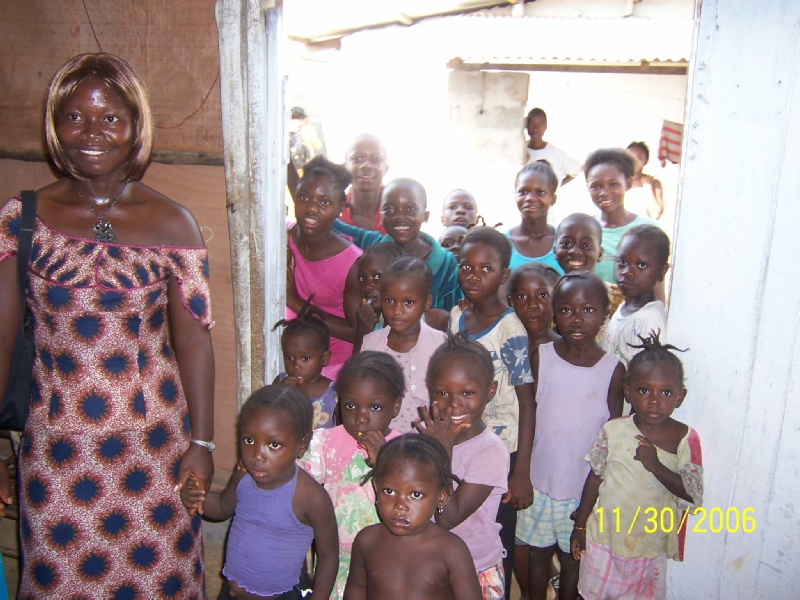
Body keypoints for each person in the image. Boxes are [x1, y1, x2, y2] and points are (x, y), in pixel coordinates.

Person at [0, 53, 215, 596]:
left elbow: (194, 341)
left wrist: (203, 443)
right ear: (55, 126)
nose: (91, 132)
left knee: (160, 580)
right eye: (74, 117)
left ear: (135, 126)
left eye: (110, 118)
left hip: (157, 449)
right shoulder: (20, 221)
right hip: (57, 453)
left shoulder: (174, 223)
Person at [515, 272, 624, 600]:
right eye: (566, 310)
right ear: (554, 313)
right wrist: (522, 472)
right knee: (537, 554)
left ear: (605, 314)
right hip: (540, 483)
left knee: (572, 559)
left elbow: (612, 437)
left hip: (581, 492)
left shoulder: (612, 370)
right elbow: (530, 416)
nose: (576, 319)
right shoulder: (543, 357)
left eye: (588, 310)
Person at [571, 333, 703, 600]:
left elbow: (693, 495)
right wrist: (580, 526)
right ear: (628, 392)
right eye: (644, 391)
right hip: (603, 542)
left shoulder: (684, 439)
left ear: (680, 397)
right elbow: (595, 479)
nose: (654, 400)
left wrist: (656, 465)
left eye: (666, 392)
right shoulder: (613, 430)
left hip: (648, 550)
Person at [180, 385, 338, 599]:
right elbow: (222, 508)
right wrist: (197, 497)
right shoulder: (243, 476)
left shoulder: (310, 497)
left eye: (274, 445)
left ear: (302, 445)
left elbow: (328, 557)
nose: (257, 456)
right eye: (249, 440)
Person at [449, 226, 536, 597]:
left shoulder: (510, 329)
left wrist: (522, 471)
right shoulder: (457, 318)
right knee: (462, 529)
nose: (474, 276)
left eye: (486, 269)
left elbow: (527, 400)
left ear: (503, 276)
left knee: (496, 536)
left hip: (502, 451)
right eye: (466, 267)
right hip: (462, 443)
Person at [299, 351, 404, 599]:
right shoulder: (327, 443)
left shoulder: (402, 451)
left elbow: (405, 500)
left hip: (385, 561)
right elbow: (295, 477)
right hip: (335, 560)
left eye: (374, 407)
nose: (360, 417)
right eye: (350, 405)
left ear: (395, 406)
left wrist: (382, 463)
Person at [418, 334, 511, 599]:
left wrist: (442, 451)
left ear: (490, 391)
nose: (454, 403)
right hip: (429, 565)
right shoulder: (423, 438)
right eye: (442, 393)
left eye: (467, 393)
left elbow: (448, 517)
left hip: (475, 569)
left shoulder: (491, 451)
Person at [344, 435, 482, 600]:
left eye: (416, 495)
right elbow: (357, 586)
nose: (400, 505)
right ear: (376, 487)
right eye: (389, 491)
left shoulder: (451, 550)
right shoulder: (367, 541)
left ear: (441, 497)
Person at [332, 178, 463, 311]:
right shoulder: (374, 245)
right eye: (389, 209)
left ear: (425, 215)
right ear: (380, 215)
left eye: (410, 209)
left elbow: (455, 313)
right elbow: (334, 225)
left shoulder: (446, 265)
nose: (400, 216)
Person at [287, 156, 362, 379]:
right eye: (304, 197)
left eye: (324, 203)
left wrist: (295, 302)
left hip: (331, 366)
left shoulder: (352, 263)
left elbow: (356, 331)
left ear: (340, 209)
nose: (311, 208)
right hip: (291, 357)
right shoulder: (283, 238)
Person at [361, 257, 447, 432]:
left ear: (427, 302)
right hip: (381, 440)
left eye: (408, 302)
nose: (397, 311)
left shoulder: (441, 345)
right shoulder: (371, 344)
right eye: (389, 301)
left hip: (427, 441)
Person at [584, 148, 660, 287]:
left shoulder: (649, 231)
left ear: (628, 184)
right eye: (596, 186)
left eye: (613, 184)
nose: (604, 192)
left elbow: (657, 287)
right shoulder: (584, 230)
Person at [354, 243, 448, 351]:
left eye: (378, 276)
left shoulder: (435, 320)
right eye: (362, 278)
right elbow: (358, 360)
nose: (368, 286)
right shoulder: (371, 321)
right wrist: (362, 330)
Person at [603, 225, 670, 369]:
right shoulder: (623, 308)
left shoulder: (649, 320)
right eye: (622, 262)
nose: (627, 272)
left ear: (662, 271)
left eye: (641, 265)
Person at [272, 305, 337, 429]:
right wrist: (281, 394)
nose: (296, 366)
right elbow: (269, 416)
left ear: (324, 358)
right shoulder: (280, 383)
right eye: (289, 357)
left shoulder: (334, 393)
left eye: (305, 358)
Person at [506, 161, 564, 274]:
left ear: (553, 199)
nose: (530, 198)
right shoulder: (502, 244)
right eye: (523, 191)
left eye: (540, 192)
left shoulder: (564, 243)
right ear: (515, 195)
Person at [341, 133, 389, 233]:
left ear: (386, 169)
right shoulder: (334, 213)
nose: (367, 165)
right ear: (345, 167)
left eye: (376, 159)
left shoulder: (400, 210)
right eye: (358, 158)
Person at [524, 108, 581, 188]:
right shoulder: (519, 151)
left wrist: (555, 187)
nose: (535, 129)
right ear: (526, 126)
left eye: (540, 125)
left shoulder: (556, 153)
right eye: (531, 124)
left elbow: (576, 171)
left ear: (545, 126)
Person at [626, 141, 664, 220]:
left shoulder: (653, 184)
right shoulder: (618, 182)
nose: (634, 161)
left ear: (645, 161)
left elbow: (655, 214)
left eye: (639, 158)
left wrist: (647, 186)